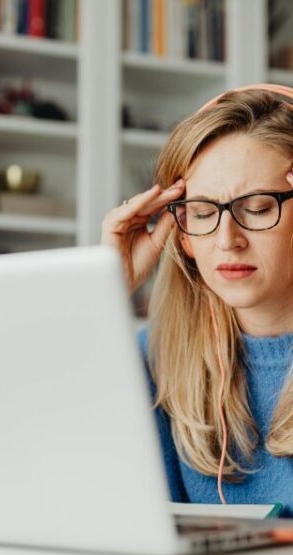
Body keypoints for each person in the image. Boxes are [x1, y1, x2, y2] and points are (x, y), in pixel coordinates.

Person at [101, 84, 293, 516]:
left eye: (259, 208)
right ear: (182, 233)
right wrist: (105, 293)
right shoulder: (158, 353)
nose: (228, 240)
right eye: (203, 214)